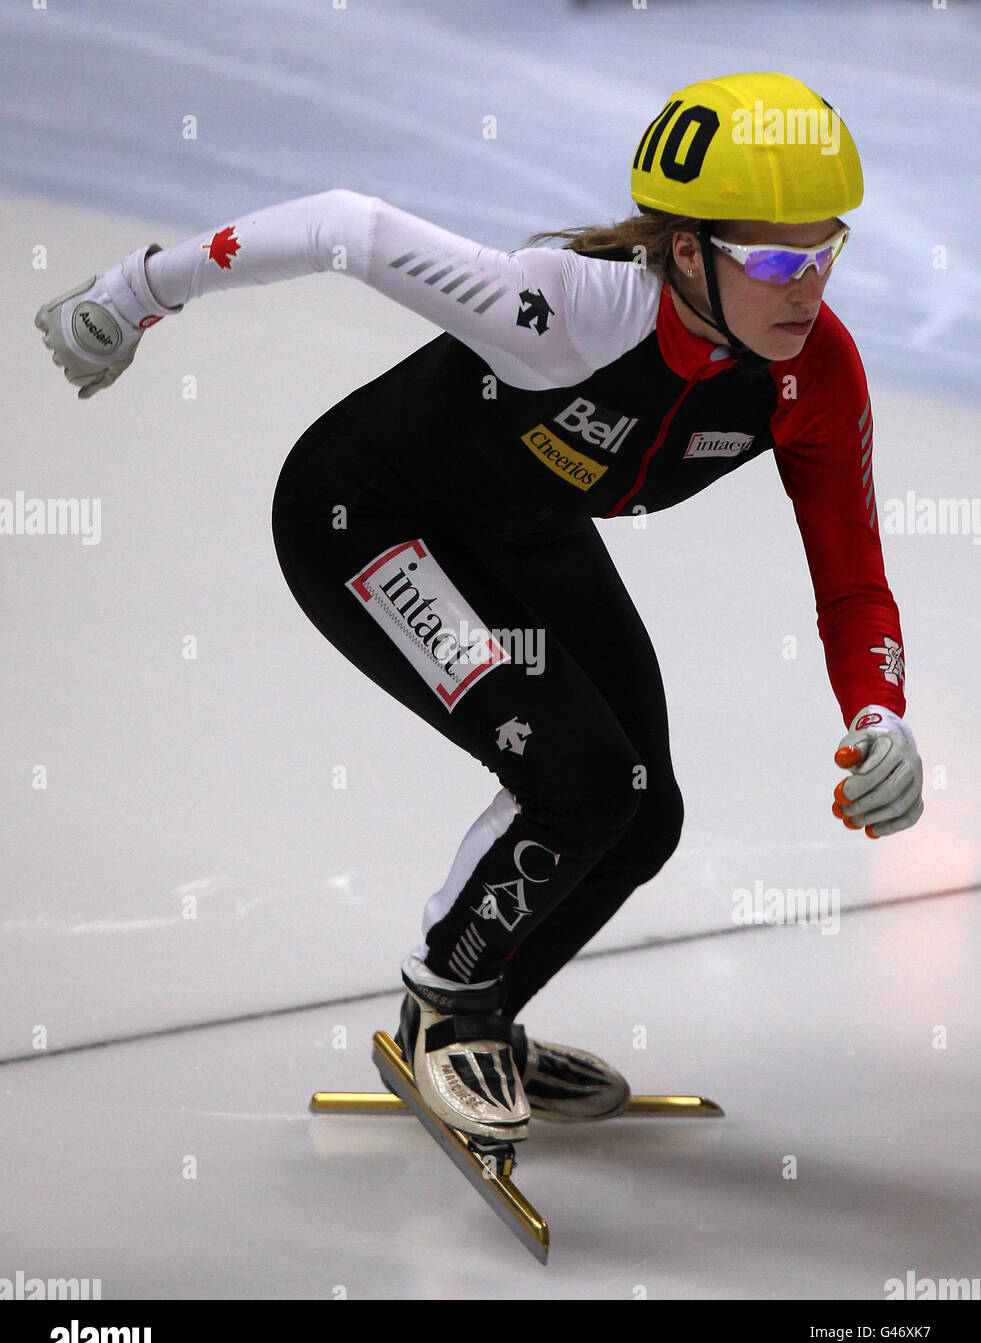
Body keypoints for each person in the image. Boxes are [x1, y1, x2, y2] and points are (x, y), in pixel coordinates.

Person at [35, 72, 923, 1147]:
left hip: (520, 532)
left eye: (828, 252)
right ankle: (442, 1011)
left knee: (644, 817)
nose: (808, 288)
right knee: (583, 784)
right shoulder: (570, 308)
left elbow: (852, 579)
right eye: (779, 260)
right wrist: (133, 292)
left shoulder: (817, 377)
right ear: (686, 249)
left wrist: (879, 714)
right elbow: (345, 228)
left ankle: (483, 1013)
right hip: (364, 521)